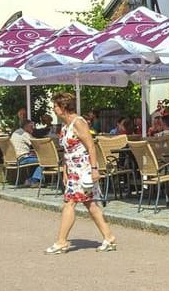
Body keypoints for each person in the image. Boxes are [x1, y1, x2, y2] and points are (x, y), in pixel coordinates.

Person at [46, 91, 117, 254]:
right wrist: (65, 171)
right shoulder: (65, 125)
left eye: (56, 106)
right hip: (73, 170)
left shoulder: (79, 122)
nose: (54, 109)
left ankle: (61, 241)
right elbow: (66, 151)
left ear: (63, 107)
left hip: (83, 169)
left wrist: (94, 169)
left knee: (70, 203)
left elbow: (91, 146)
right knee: (90, 203)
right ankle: (109, 237)